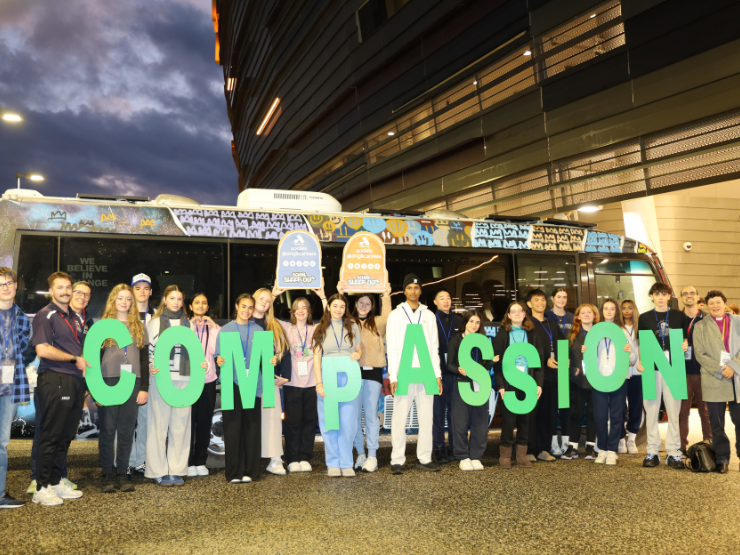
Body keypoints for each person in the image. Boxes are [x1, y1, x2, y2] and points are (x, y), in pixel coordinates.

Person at [31, 271, 89, 506]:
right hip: (55, 379)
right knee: (51, 435)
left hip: (74, 381)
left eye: (68, 287)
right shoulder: (46, 315)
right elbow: (42, 350)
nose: (65, 291)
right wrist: (75, 359)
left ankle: (55, 481)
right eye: (60, 288)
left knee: (65, 435)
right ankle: (41, 486)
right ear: (51, 291)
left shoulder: (73, 317)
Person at [146, 285, 204, 486]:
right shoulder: (154, 324)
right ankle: (157, 471)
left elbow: (196, 351)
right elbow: (148, 352)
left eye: (180, 299)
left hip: (184, 379)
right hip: (161, 379)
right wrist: (150, 365)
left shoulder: (190, 325)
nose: (176, 302)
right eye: (172, 298)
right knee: (158, 426)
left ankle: (177, 469)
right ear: (164, 299)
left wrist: (201, 363)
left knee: (180, 426)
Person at [386, 274, 443, 475]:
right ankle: (397, 459)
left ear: (421, 290)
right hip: (404, 372)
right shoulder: (395, 315)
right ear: (404, 291)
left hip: (426, 371)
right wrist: (393, 376)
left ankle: (425, 458)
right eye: (409, 287)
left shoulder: (429, 315)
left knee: (426, 418)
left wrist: (437, 374)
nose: (413, 291)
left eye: (416, 287)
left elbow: (434, 347)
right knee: (399, 418)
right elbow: (392, 348)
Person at [96, 284, 149, 493]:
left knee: (127, 431)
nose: (125, 302)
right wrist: (96, 388)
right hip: (107, 380)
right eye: (120, 298)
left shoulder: (139, 326)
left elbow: (144, 359)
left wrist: (144, 387)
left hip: (132, 381)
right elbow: (94, 358)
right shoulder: (102, 325)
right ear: (113, 301)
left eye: (128, 299)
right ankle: (107, 475)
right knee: (108, 431)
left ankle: (122, 474)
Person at [339, 282, 391, 473]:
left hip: (372, 372)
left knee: (370, 415)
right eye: (360, 302)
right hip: (351, 371)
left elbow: (387, 315)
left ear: (372, 306)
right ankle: (360, 453)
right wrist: (340, 292)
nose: (363, 305)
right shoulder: (348, 322)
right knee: (353, 417)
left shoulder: (378, 322)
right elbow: (334, 311)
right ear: (355, 304)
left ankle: (372, 456)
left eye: (367, 303)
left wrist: (386, 295)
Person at [636, 282, 689, 469]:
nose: (660, 297)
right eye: (656, 294)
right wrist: (641, 361)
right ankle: (652, 451)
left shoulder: (679, 315)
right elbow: (642, 341)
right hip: (652, 367)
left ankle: (674, 452)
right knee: (651, 410)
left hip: (674, 367)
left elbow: (684, 338)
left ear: (669, 296)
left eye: (663, 294)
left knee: (674, 411)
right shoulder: (644, 318)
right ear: (652, 297)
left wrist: (685, 344)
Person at [215, 294, 264, 483]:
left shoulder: (258, 330)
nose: (247, 310)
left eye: (250, 307)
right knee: (233, 428)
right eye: (243, 306)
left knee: (251, 429)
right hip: (231, 383)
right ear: (236, 306)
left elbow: (265, 358)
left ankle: (251, 472)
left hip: (253, 384)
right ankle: (234, 473)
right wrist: (218, 360)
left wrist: (272, 360)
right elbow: (218, 356)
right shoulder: (225, 330)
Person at [313, 294, 362, 477]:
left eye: (342, 306)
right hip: (329, 378)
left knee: (348, 422)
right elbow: (316, 358)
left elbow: (358, 349)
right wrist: (319, 383)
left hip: (350, 378)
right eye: (335, 306)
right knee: (330, 422)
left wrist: (358, 354)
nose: (338, 310)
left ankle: (347, 462)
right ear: (328, 307)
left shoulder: (353, 326)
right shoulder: (320, 329)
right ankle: (333, 462)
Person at [492, 301, 545, 468]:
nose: (516, 313)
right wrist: (500, 385)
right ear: (508, 315)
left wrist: (539, 384)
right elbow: (497, 364)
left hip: (528, 382)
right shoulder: (502, 335)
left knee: (525, 420)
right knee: (508, 420)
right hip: (509, 383)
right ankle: (505, 456)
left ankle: (521, 456)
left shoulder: (532, 335)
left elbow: (540, 362)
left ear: (524, 314)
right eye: (512, 311)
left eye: (519, 311)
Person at [693, 290, 740, 474]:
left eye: (718, 302)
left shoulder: (738, 322)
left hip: (736, 377)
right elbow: (700, 354)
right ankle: (722, 458)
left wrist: (732, 367)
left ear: (725, 303)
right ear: (706, 305)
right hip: (714, 377)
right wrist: (722, 370)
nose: (715, 306)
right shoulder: (701, 326)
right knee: (717, 423)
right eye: (711, 303)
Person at [589, 299, 636, 466]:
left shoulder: (623, 331)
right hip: (598, 377)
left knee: (617, 415)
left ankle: (612, 450)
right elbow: (589, 357)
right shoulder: (595, 330)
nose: (609, 311)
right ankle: (601, 449)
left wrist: (630, 352)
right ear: (602, 311)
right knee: (600, 415)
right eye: (606, 309)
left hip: (619, 377)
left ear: (616, 312)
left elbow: (632, 360)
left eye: (612, 309)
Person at [0, 267, 31, 509]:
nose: (6, 287)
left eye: (9, 283)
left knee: (1, 443)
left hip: (9, 387)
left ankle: (0, 494)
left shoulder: (21, 317)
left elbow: (23, 351)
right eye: (1, 284)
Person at [446, 311, 492, 470]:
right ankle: (463, 456)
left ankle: (476, 456)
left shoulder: (483, 341)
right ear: (465, 322)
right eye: (471, 321)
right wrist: (459, 370)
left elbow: (484, 365)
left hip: (481, 384)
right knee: (460, 421)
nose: (474, 325)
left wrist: (492, 362)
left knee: (480, 421)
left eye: (477, 322)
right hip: (462, 384)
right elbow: (449, 364)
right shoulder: (456, 340)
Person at [253, 287, 290, 476]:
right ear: (253, 299)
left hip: (269, 378)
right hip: (246, 379)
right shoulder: (242, 321)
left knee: (273, 420)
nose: (265, 303)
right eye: (261, 299)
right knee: (249, 420)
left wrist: (285, 375)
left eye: (268, 301)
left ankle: (275, 460)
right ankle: (249, 458)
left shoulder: (274, 325)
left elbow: (285, 352)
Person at [526, 289, 563, 462]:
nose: (540, 303)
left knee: (549, 414)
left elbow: (562, 345)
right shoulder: (527, 325)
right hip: (533, 377)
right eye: (536, 300)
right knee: (532, 414)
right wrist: (544, 360)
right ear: (529, 304)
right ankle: (530, 450)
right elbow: (526, 350)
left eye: (542, 300)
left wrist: (566, 359)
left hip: (553, 377)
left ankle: (544, 449)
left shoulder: (552, 324)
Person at [187, 293, 220, 477]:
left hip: (208, 380)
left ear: (208, 307)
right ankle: (188, 461)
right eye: (197, 303)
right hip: (189, 381)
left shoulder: (214, 329)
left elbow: (217, 350)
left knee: (205, 421)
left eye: (204, 303)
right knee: (189, 422)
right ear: (191, 306)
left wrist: (213, 326)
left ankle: (200, 460)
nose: (200, 306)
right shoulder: (186, 327)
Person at [561, 304, 599, 461]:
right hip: (577, 381)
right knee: (575, 413)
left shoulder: (601, 333)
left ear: (594, 315)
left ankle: (590, 446)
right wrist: (572, 371)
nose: (586, 315)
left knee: (592, 413)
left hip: (597, 380)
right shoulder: (571, 334)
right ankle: (573, 446)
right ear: (577, 316)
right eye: (583, 313)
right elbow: (564, 358)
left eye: (589, 312)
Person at [679, 285, 711, 455]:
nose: (689, 296)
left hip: (702, 372)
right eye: (685, 293)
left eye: (692, 293)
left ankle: (709, 445)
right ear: (681, 298)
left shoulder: (707, 319)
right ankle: (681, 447)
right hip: (681, 372)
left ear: (698, 297)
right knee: (682, 412)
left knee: (705, 412)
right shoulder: (676, 318)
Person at [432, 288, 461, 464]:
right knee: (437, 413)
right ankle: (438, 447)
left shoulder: (459, 320)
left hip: (456, 371)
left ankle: (453, 446)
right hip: (437, 373)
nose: (446, 301)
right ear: (435, 302)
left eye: (448, 297)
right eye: (441, 298)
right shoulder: (430, 319)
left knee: (454, 413)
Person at [129, 273, 153, 477]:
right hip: (126, 374)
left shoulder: (158, 316)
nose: (142, 291)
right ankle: (126, 461)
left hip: (148, 375)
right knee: (126, 421)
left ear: (151, 291)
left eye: (146, 288)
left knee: (145, 420)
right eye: (138, 288)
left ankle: (140, 462)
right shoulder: (123, 314)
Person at [546, 286, 573, 455]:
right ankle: (553, 442)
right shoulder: (547, 317)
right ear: (552, 298)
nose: (562, 300)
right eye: (559, 296)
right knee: (552, 407)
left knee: (566, 407)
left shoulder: (572, 316)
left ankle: (567, 442)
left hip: (568, 363)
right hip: (552, 365)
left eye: (564, 297)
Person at [620, 299, 642, 454]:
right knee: (620, 407)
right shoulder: (616, 327)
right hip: (622, 371)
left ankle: (632, 439)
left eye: (630, 308)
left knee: (636, 406)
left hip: (638, 371)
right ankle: (621, 438)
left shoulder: (641, 327)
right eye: (624, 308)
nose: (627, 311)